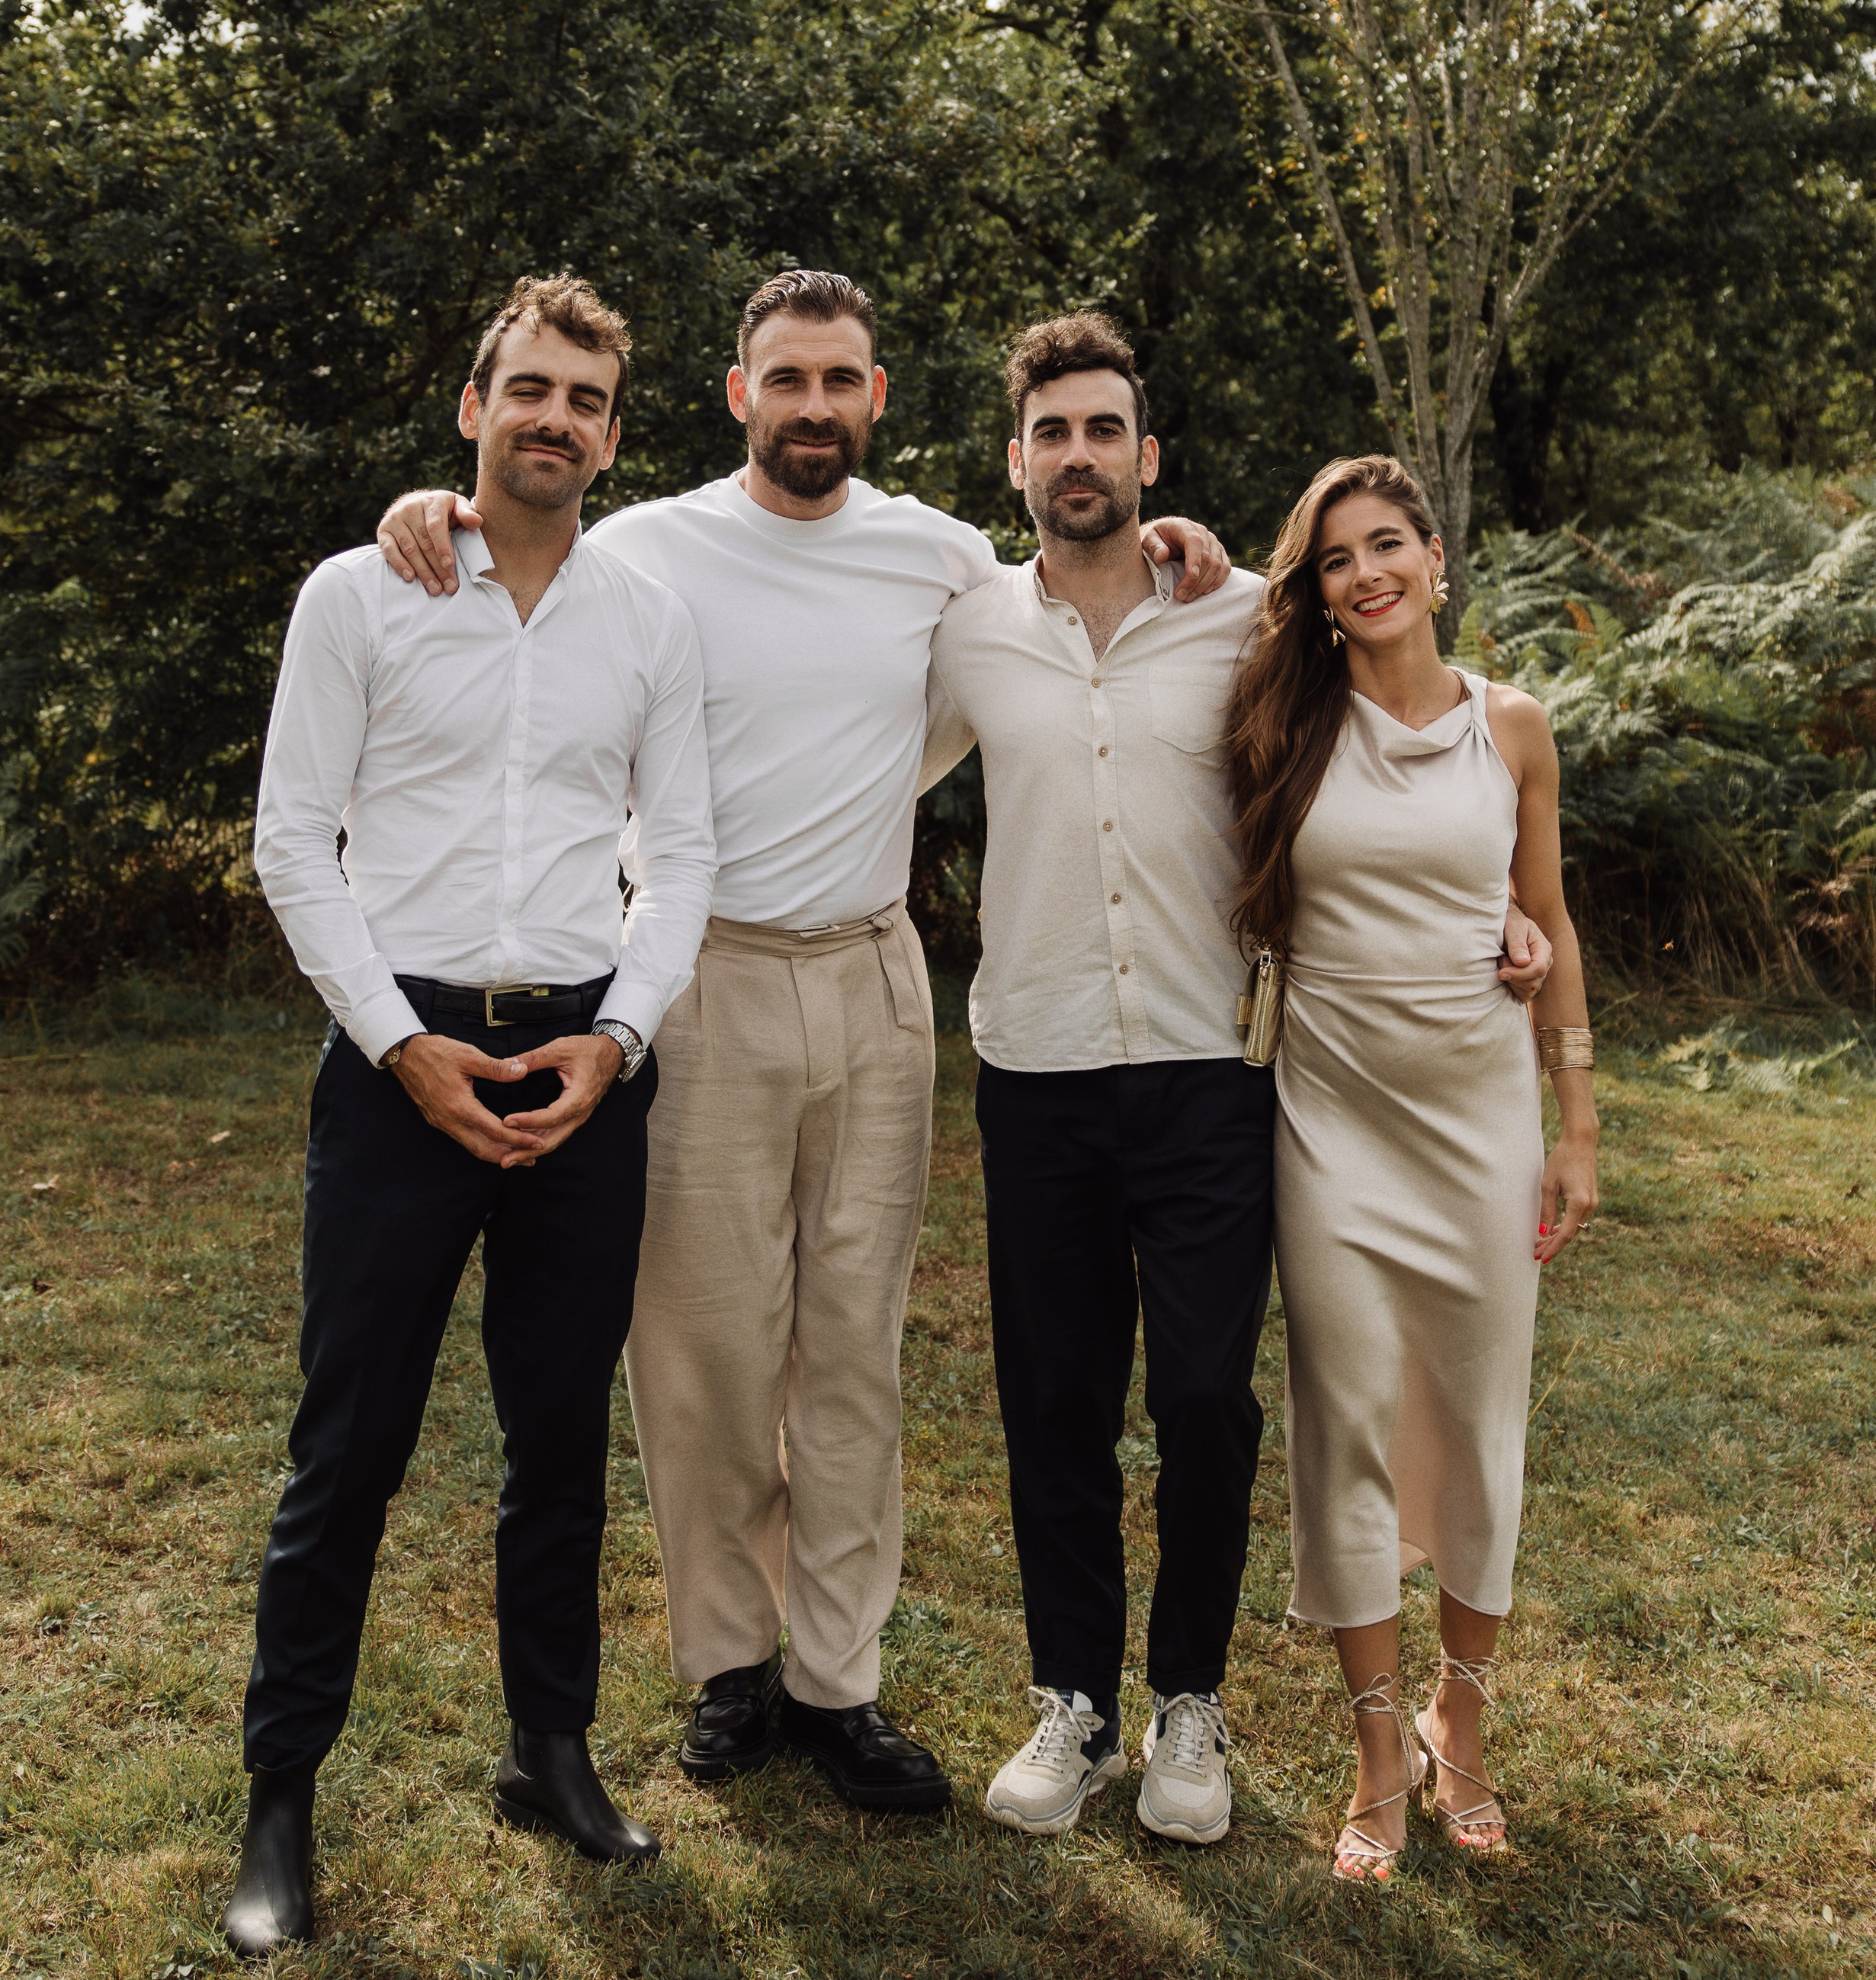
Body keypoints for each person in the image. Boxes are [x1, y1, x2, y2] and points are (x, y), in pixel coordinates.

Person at [374, 271, 1230, 1815]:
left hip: (871, 981)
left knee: (850, 1351)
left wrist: (1177, 543)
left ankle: (840, 1683)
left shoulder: (938, 559)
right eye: (787, 379)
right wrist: (429, 511)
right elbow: (513, 558)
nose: (814, 406)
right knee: (703, 1349)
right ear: (739, 394)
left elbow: (1067, 596)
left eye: (841, 380)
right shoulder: (645, 550)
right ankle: (731, 1668)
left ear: (876, 397)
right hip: (695, 978)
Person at [226, 278, 717, 1960]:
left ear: (613, 436)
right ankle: (281, 1797)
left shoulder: (646, 620)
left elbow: (682, 855)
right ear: (473, 407)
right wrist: (401, 1048)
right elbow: (292, 842)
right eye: (530, 388)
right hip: (400, 1064)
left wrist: (620, 1039)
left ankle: (549, 1753)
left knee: (559, 1438)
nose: (553, 418)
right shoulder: (360, 593)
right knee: (348, 1442)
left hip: (582, 1060)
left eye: (585, 399)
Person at [1225, 454, 1599, 1882]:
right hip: (1331, 1126)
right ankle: (1380, 1750)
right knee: (1349, 1424)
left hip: (1482, 1123)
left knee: (1481, 1422)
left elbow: (1549, 916)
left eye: (1388, 544)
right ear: (1316, 592)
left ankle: (1463, 1718)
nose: (1367, 573)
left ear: (1438, 558)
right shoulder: (1285, 720)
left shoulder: (1515, 726)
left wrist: (1577, 1122)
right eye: (1337, 559)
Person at [921, 314, 1270, 1844]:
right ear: (1017, 464)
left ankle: (1187, 1700)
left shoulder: (1244, 618)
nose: (1078, 454)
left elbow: (1386, 733)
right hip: (1040, 1069)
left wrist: (1504, 905)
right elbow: (845, 759)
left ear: (1148, 456)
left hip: (1209, 1070)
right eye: (1051, 432)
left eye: (1102, 429)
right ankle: (1071, 1698)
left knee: (1202, 1398)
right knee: (1056, 1399)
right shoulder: (967, 632)